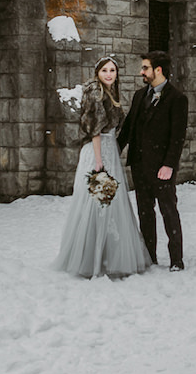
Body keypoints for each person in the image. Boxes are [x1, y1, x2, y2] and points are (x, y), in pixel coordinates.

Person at [53, 56, 152, 279]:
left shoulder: (110, 93)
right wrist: (99, 160)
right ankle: (91, 258)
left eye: (112, 71)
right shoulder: (94, 92)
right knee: (97, 203)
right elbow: (94, 129)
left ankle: (109, 255)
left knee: (111, 204)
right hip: (97, 151)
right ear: (97, 72)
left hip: (109, 150)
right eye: (105, 70)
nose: (109, 74)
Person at [117, 51, 188, 271]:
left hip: (161, 168)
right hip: (139, 165)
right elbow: (129, 127)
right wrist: (114, 151)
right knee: (145, 212)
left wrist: (169, 165)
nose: (141, 72)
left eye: (145, 68)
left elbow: (177, 136)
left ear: (158, 70)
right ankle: (150, 256)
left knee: (168, 211)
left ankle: (176, 259)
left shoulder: (177, 99)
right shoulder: (140, 95)